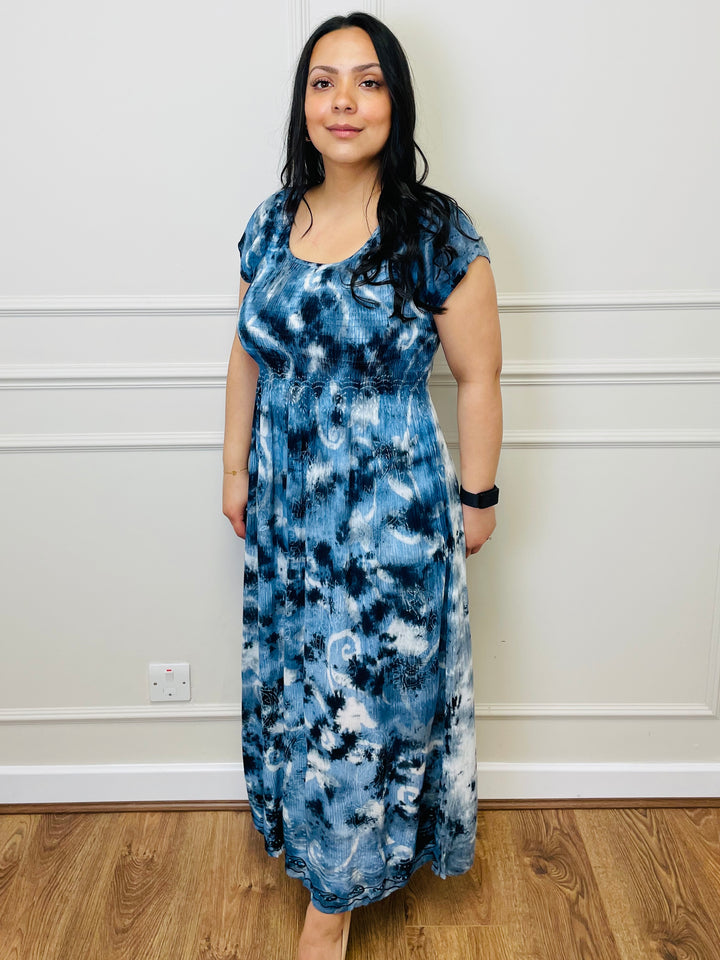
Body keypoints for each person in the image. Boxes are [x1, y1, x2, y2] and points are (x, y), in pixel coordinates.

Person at [222, 11, 502, 960]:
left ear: (396, 101)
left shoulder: (435, 230)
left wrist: (478, 498)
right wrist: (234, 469)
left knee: (365, 706)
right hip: (286, 510)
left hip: (388, 515)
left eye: (368, 81)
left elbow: (478, 376)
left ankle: (332, 905)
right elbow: (246, 353)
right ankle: (315, 847)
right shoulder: (271, 221)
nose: (344, 102)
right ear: (303, 103)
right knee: (301, 687)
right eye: (324, 81)